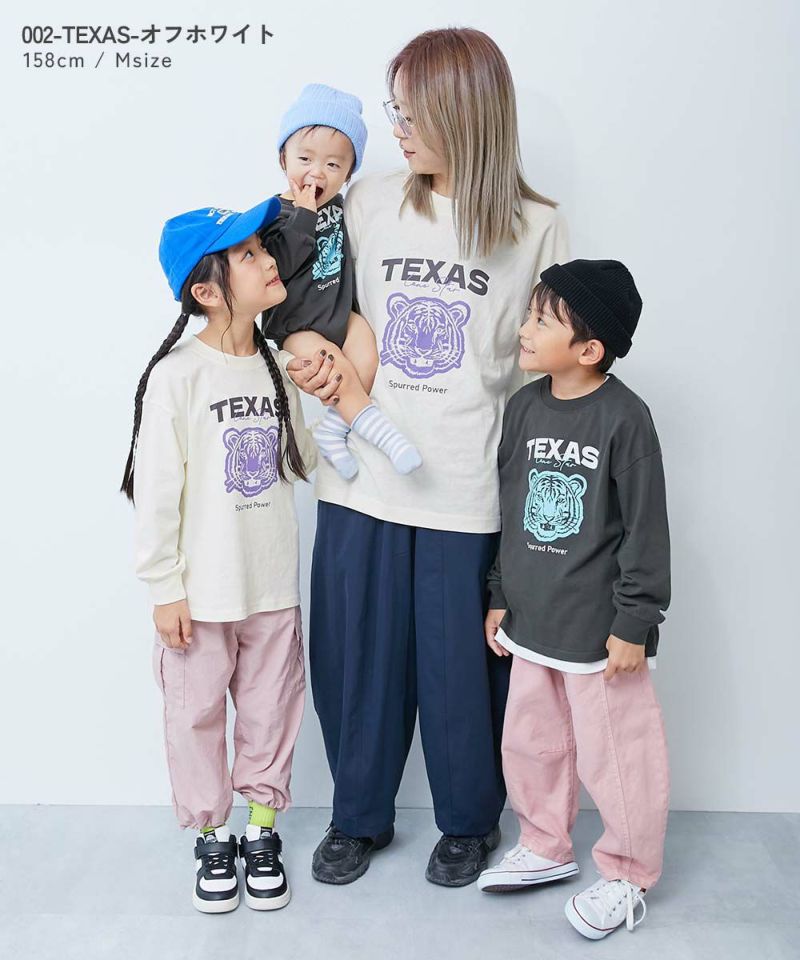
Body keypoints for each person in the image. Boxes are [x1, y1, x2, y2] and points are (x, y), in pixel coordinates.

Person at [287, 28, 569, 887]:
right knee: (357, 664)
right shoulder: (368, 202)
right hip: (362, 480)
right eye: (395, 109)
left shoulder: (535, 226)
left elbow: (547, 376)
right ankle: (357, 817)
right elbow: (313, 296)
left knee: (461, 675)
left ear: (464, 113)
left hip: (465, 486)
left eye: (412, 113)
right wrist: (312, 358)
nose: (397, 129)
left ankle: (469, 822)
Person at [121, 199, 315, 913]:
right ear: (206, 290)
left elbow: (303, 461)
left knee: (271, 710)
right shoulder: (178, 376)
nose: (267, 261)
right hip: (201, 593)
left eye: (263, 248)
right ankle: (212, 836)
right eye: (248, 255)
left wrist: (315, 381)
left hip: (271, 583)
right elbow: (156, 490)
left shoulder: (276, 365)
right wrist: (163, 587)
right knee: (195, 714)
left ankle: (261, 831)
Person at [478, 259, 670, 939]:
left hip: (600, 632)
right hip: (533, 620)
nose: (524, 329)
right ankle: (544, 844)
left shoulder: (625, 418)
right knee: (531, 743)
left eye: (541, 320)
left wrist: (636, 621)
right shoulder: (525, 407)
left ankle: (628, 873)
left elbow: (646, 527)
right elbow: (510, 508)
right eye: (530, 315)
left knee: (618, 755)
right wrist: (500, 593)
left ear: (589, 349)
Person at [262, 83, 421, 479]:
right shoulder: (275, 214)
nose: (317, 172)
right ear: (283, 159)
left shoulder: (340, 205)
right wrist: (303, 214)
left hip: (338, 314)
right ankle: (385, 436)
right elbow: (281, 263)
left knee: (368, 354)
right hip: (298, 325)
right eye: (304, 159)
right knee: (339, 372)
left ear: (349, 174)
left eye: (333, 165)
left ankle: (334, 428)